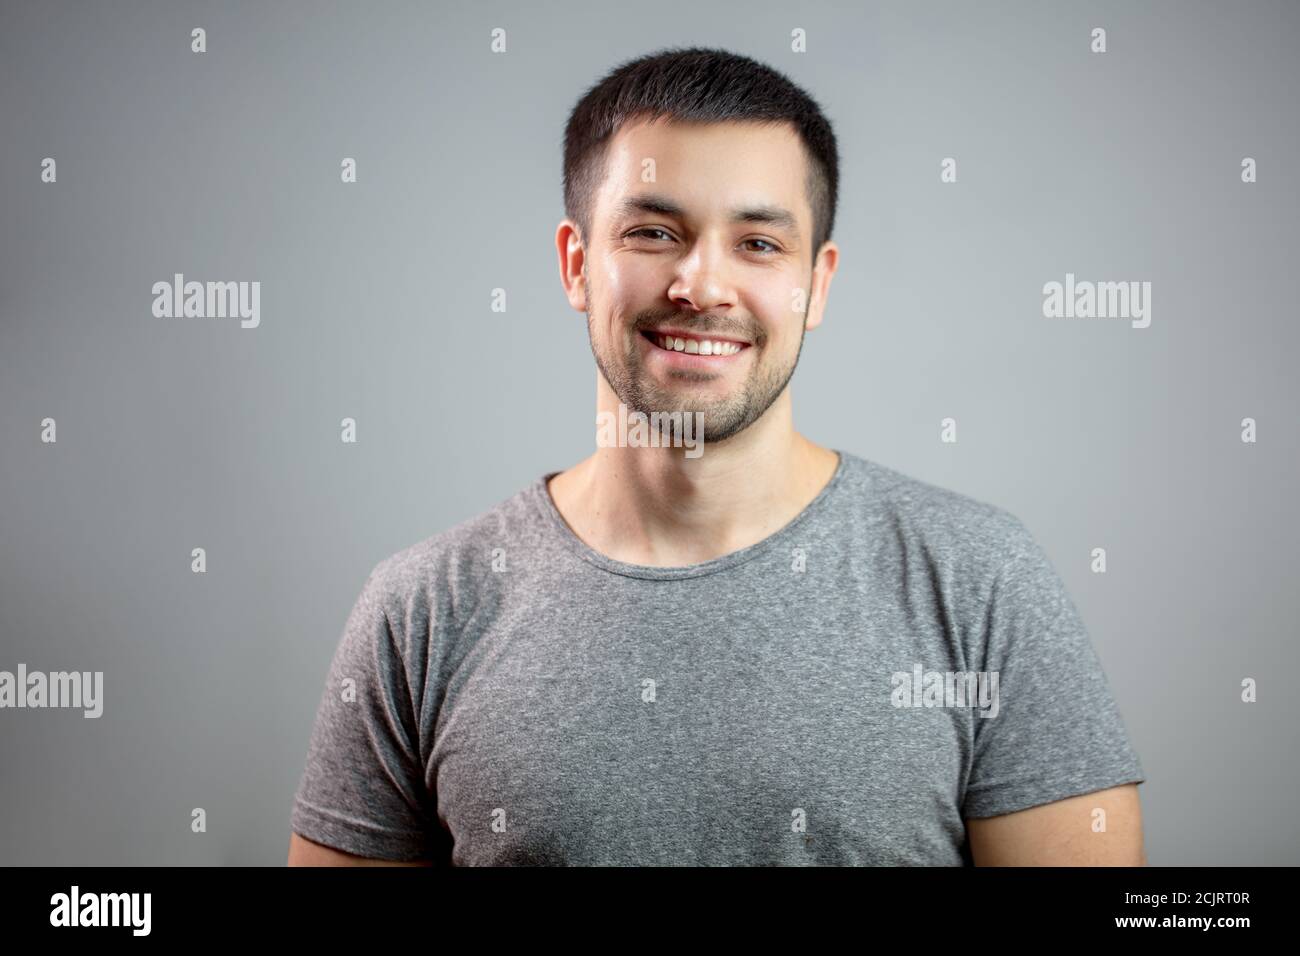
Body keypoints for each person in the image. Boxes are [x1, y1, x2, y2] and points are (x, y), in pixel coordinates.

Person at [288, 46, 1145, 866]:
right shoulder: (421, 612)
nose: (701, 286)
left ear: (818, 284)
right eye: (655, 233)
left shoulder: (979, 582)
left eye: (759, 243)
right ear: (576, 264)